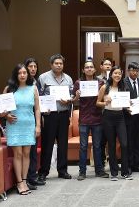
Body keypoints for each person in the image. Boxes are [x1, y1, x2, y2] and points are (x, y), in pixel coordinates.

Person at [0, 64, 41, 195]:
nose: (22, 75)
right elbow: (1, 110)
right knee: (18, 154)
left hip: (29, 124)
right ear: (15, 75)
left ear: (28, 74)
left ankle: (24, 180)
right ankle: (19, 183)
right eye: (20, 73)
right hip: (14, 125)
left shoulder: (33, 88)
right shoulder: (9, 89)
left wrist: (38, 125)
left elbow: (37, 109)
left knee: (26, 154)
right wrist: (6, 115)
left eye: (24, 72)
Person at [37, 54, 73, 182]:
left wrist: (68, 101)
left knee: (63, 144)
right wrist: (42, 111)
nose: (59, 65)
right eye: (56, 63)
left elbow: (72, 96)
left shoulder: (68, 79)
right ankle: (43, 172)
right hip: (49, 115)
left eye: (61, 63)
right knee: (48, 143)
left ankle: (62, 170)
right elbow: (38, 97)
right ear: (51, 64)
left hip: (63, 115)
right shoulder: (43, 77)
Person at [72, 60, 108, 180]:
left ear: (95, 69)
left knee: (97, 146)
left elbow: (104, 99)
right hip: (84, 119)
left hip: (97, 118)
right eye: (86, 67)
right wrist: (77, 95)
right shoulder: (78, 83)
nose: (89, 69)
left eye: (91, 67)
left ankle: (99, 170)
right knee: (83, 146)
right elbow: (75, 101)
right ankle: (82, 171)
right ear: (83, 70)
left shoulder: (100, 82)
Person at [96, 66, 132, 181]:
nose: (117, 75)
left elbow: (125, 104)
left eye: (119, 74)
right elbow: (97, 103)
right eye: (115, 73)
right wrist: (105, 102)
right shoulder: (104, 87)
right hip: (108, 117)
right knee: (111, 145)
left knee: (124, 144)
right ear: (111, 74)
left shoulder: (123, 87)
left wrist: (129, 105)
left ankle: (125, 172)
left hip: (120, 117)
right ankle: (114, 173)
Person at [122, 62, 139, 174]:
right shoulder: (123, 83)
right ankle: (129, 165)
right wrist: (125, 107)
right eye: (132, 70)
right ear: (128, 71)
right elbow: (120, 99)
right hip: (129, 117)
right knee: (129, 142)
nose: (134, 72)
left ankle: (138, 164)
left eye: (136, 71)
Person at [23, 58, 43, 188]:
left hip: (35, 119)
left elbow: (39, 103)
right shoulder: (19, 84)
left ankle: (33, 176)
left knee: (34, 150)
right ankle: (27, 179)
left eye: (35, 66)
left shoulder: (37, 83)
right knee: (27, 152)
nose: (33, 69)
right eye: (30, 66)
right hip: (24, 120)